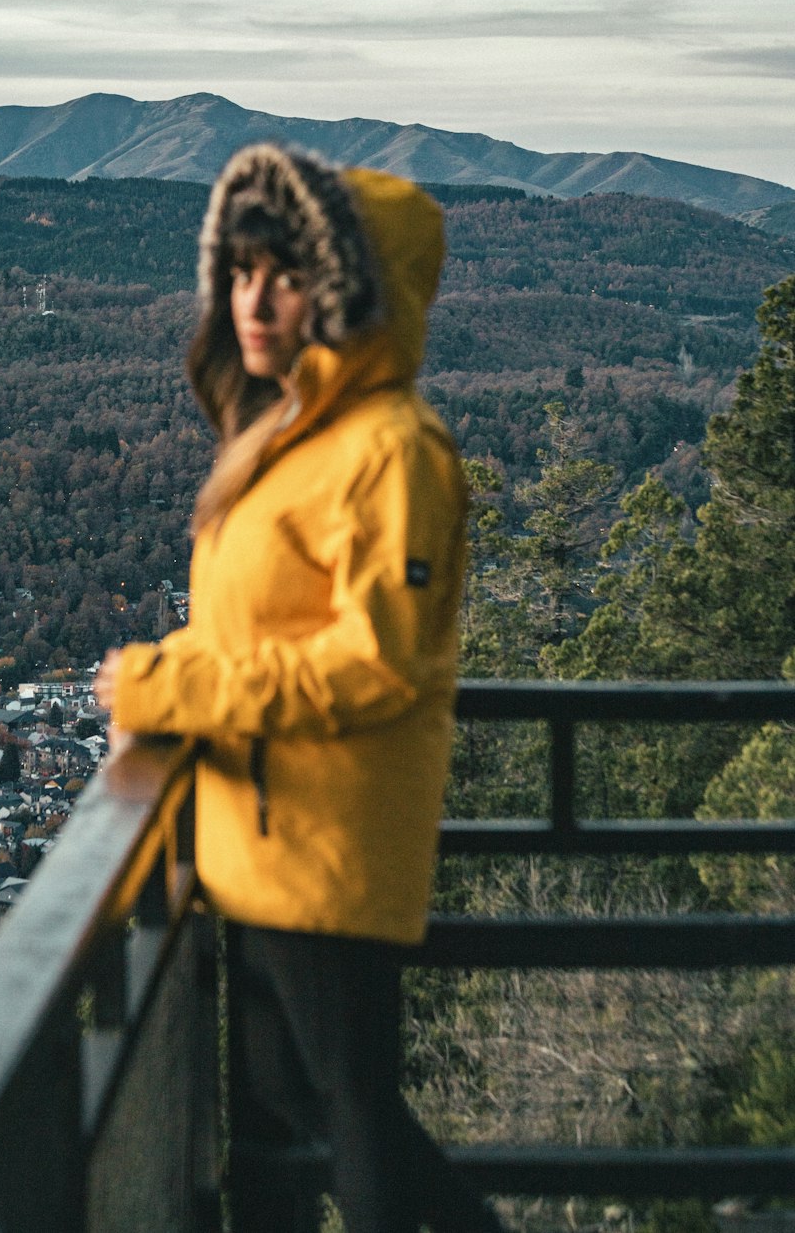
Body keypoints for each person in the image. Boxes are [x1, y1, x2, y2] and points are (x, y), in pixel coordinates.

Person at [95, 143, 500, 1233]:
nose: (254, 300)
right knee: (295, 1114)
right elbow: (251, 627)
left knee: (356, 1117)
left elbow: (373, 660)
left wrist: (168, 691)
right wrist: (177, 670)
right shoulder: (285, 438)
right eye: (238, 272)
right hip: (254, 839)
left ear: (344, 291)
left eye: (285, 274)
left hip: (327, 840)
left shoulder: (391, 450)